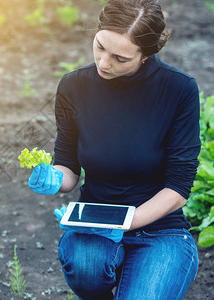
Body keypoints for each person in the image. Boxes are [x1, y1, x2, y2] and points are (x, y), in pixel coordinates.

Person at [27, 0, 201, 299]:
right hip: (94, 222)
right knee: (86, 267)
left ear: (145, 55)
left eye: (120, 58)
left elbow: (179, 187)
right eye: (100, 47)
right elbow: (68, 166)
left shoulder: (178, 90)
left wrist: (125, 222)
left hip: (161, 230)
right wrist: (55, 179)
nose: (104, 63)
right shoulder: (74, 87)